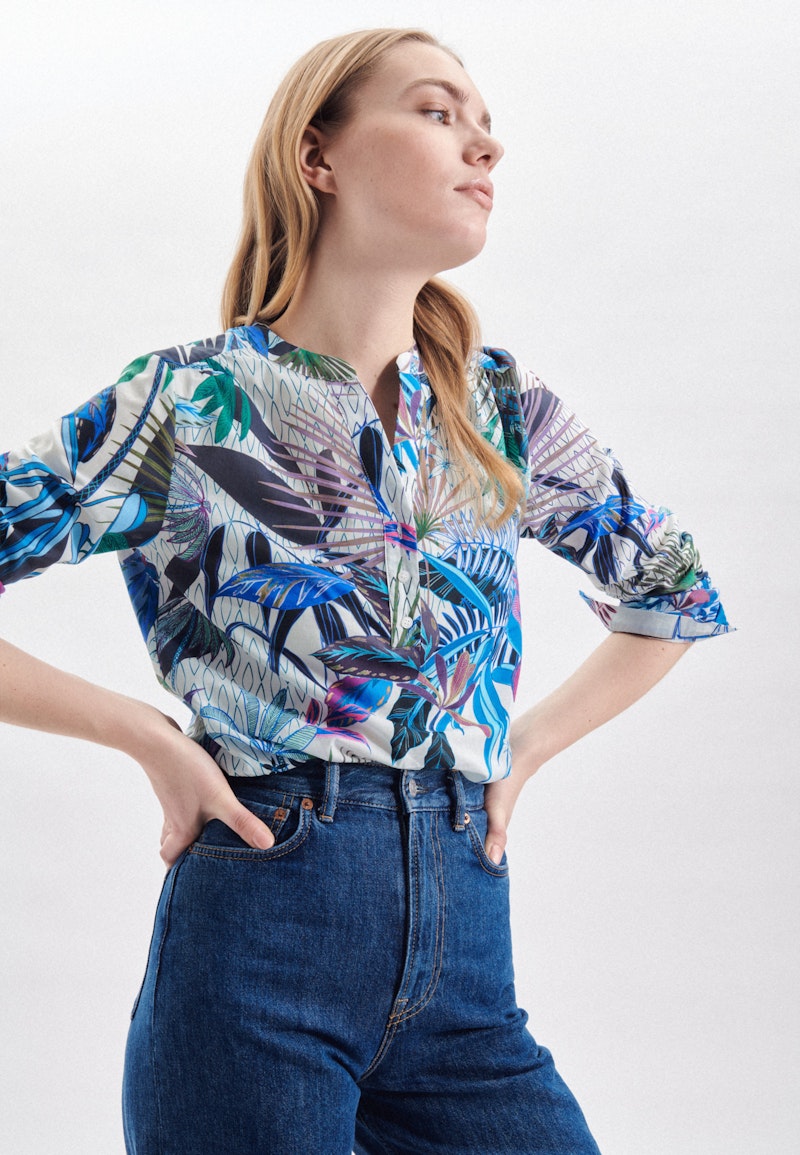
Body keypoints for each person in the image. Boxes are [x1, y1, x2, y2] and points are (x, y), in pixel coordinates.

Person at [0, 26, 732, 1155]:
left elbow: (670, 591)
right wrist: (145, 735)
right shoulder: (187, 403)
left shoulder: (499, 410)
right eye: (437, 112)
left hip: (467, 959)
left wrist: (524, 747)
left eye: (484, 124)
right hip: (259, 940)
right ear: (318, 157)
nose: (484, 145)